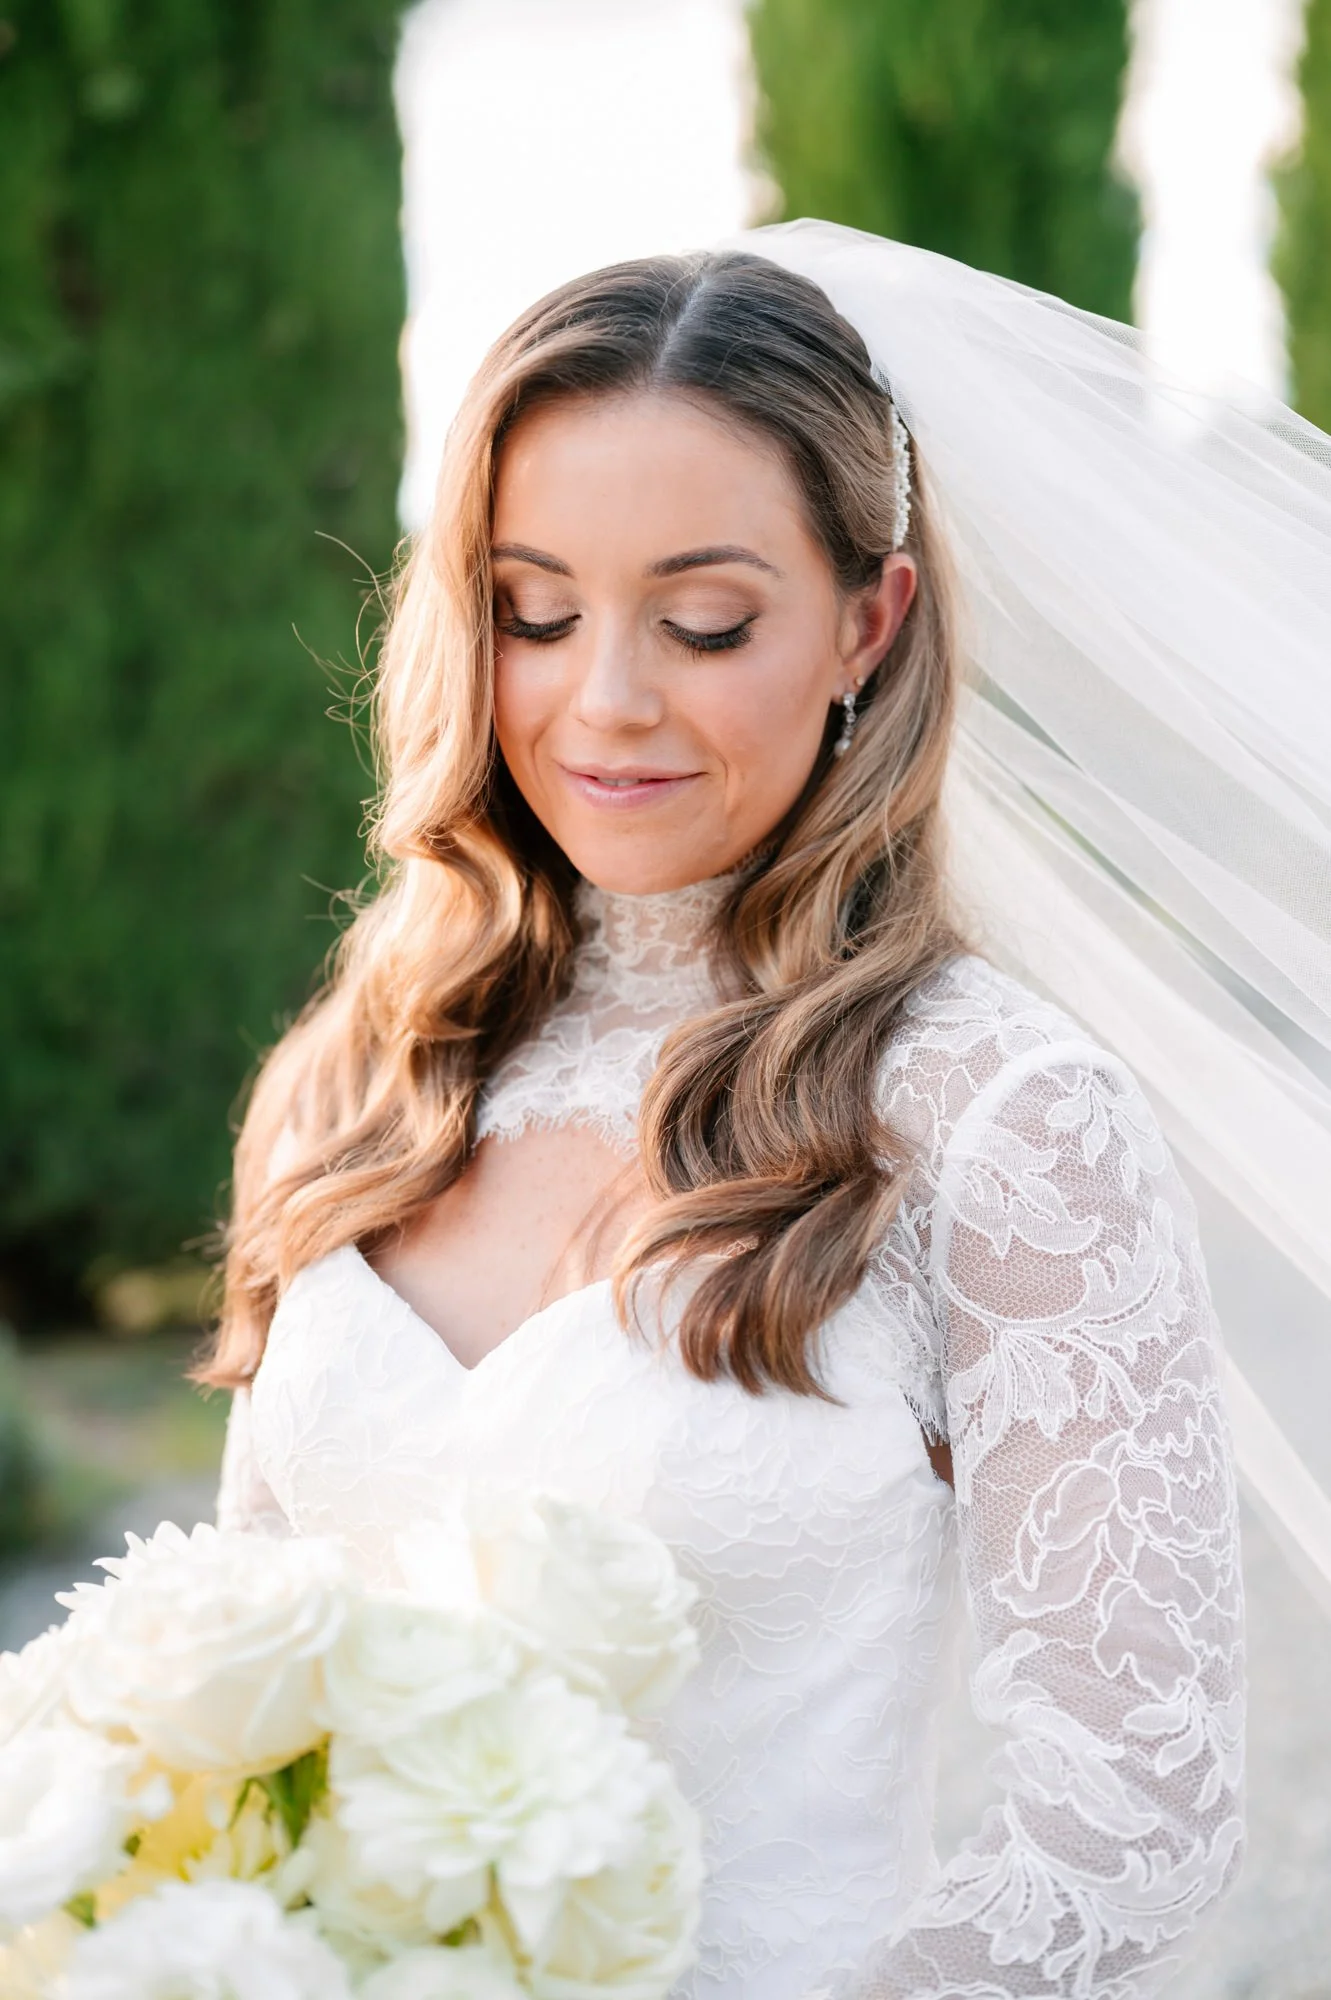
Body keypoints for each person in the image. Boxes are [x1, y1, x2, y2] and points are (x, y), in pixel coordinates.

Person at [204, 237, 1247, 1999]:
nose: (604, 699)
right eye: (533, 610)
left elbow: (1136, 1798)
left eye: (702, 623)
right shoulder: (363, 1072)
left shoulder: (996, 1121)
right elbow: (235, 1667)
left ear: (869, 623)